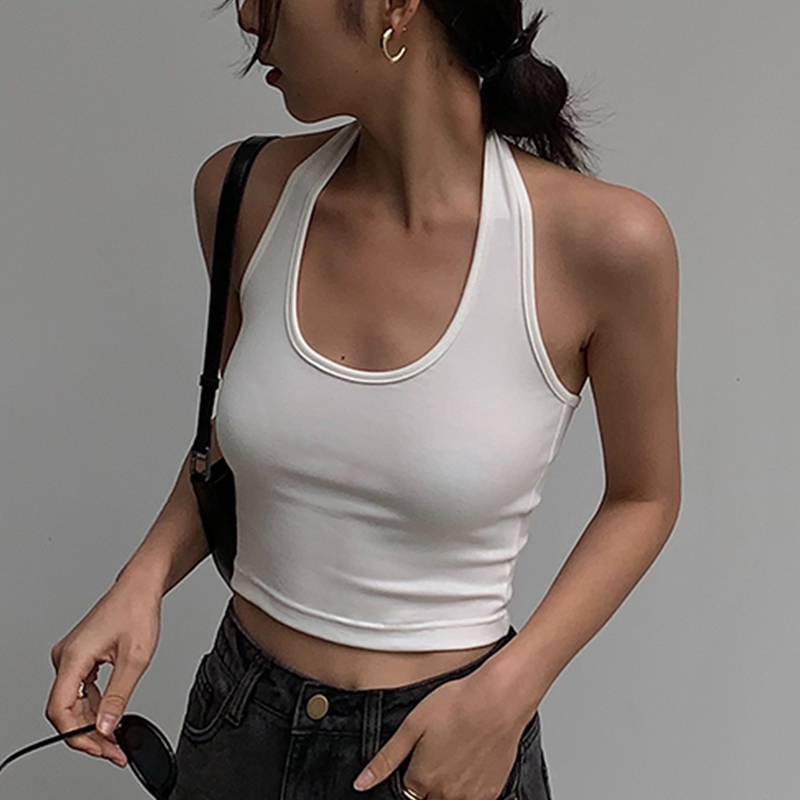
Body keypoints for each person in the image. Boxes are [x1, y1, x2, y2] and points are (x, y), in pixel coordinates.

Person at [46, 0, 681, 798]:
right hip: (240, 726)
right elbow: (241, 447)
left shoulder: (606, 244)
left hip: (441, 748)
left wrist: (509, 692)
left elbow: (645, 497)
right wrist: (140, 580)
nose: (246, 15)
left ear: (396, 6)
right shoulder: (242, 193)